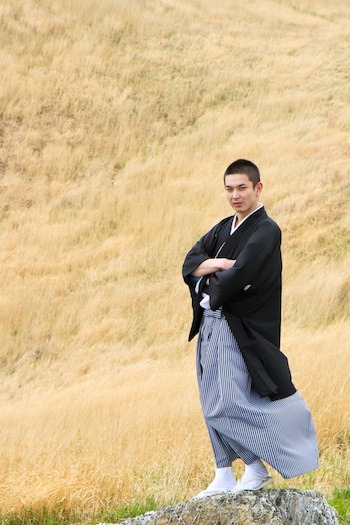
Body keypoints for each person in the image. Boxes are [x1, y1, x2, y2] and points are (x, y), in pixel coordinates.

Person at [182, 159, 319, 497]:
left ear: (258, 188)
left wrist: (212, 273)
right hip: (210, 324)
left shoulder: (266, 230)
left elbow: (238, 278)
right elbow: (190, 262)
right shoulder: (223, 227)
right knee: (208, 398)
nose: (235, 195)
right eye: (229, 189)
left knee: (225, 402)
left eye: (242, 187)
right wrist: (217, 264)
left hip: (235, 326)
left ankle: (258, 464)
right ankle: (223, 472)